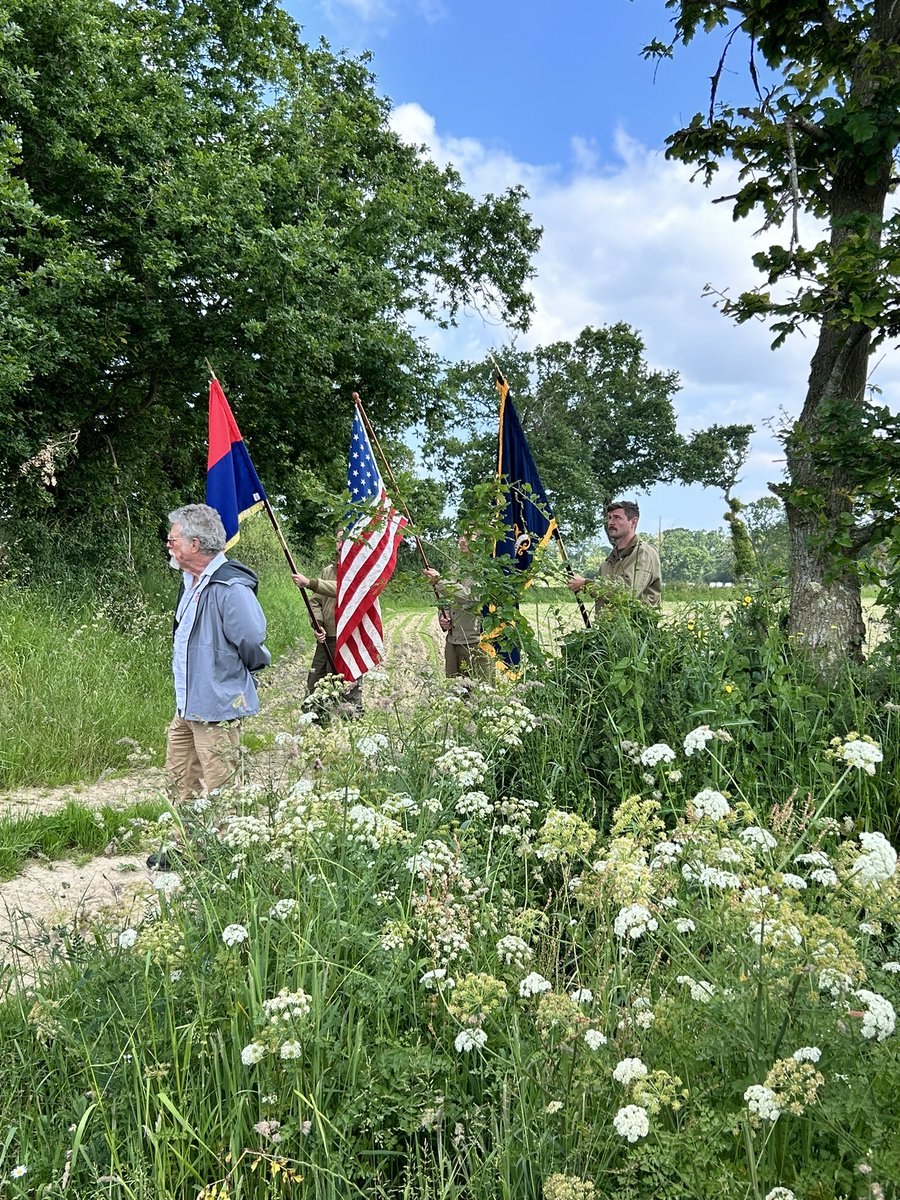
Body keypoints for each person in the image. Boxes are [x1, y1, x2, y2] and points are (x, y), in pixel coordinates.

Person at [164, 504, 271, 807]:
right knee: (179, 778)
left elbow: (251, 641)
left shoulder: (231, 586)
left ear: (194, 544)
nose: (169, 546)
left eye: (173, 540)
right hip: (187, 705)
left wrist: (230, 678)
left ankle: (224, 850)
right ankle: (182, 846)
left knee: (222, 787)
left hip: (217, 706)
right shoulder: (191, 583)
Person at [291, 544, 362, 712]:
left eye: (344, 540)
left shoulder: (360, 569)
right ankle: (316, 724)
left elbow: (346, 590)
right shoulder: (327, 571)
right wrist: (318, 624)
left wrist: (310, 583)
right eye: (337, 541)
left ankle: (351, 725)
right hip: (327, 639)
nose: (339, 545)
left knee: (348, 688)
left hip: (348, 639)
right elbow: (316, 602)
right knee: (315, 684)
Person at [568, 500, 662, 611]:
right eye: (609, 518)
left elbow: (627, 593)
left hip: (635, 627)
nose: (611, 522)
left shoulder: (643, 554)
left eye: (617, 518)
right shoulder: (607, 563)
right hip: (607, 628)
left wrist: (585, 584)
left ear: (633, 522)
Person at [424, 533, 491, 680]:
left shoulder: (486, 568)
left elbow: (473, 597)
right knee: (455, 695)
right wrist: (443, 616)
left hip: (476, 644)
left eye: (468, 536)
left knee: (480, 695)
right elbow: (445, 599)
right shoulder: (455, 567)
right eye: (461, 536)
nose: (462, 541)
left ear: (481, 539)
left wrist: (441, 581)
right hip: (452, 643)